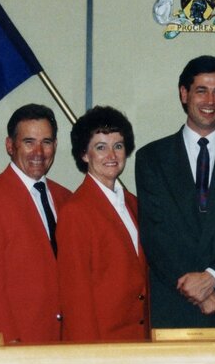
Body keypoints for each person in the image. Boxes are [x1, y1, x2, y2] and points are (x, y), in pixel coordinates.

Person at [135, 55, 215, 332]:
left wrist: (213, 278)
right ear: (184, 94)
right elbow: (154, 234)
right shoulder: (152, 158)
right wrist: (196, 289)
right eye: (201, 90)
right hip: (174, 303)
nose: (210, 100)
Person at [0, 104, 72, 343]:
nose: (39, 152)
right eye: (29, 141)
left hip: (63, 342)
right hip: (14, 344)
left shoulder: (66, 199)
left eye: (47, 142)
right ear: (10, 146)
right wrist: (9, 342)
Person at [57, 106, 148, 341]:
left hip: (139, 339)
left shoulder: (134, 204)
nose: (112, 155)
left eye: (118, 146)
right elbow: (76, 295)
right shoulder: (75, 211)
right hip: (102, 343)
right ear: (84, 154)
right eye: (101, 147)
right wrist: (89, 356)